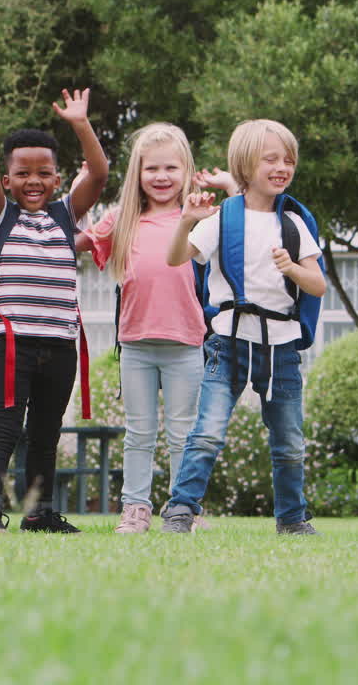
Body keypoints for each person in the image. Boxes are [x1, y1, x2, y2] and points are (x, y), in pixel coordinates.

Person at [162, 119, 326, 535]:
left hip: (282, 346)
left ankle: (292, 519)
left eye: (288, 159)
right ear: (244, 165)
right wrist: (185, 221)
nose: (281, 166)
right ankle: (181, 509)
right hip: (229, 340)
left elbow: (318, 283)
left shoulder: (293, 222)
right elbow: (177, 258)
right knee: (209, 432)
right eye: (270, 158)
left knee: (289, 440)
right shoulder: (222, 218)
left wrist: (292, 268)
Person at [0, 89, 108, 533]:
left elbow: (99, 175)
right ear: (8, 181)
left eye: (44, 173)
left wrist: (80, 124)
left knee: (46, 434)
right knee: (4, 428)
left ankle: (40, 513)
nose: (33, 180)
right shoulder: (1, 215)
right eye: (22, 173)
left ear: (58, 179)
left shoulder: (65, 216)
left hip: (60, 344)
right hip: (13, 344)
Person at [75, 123, 211, 533]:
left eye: (171, 167)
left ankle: (183, 509)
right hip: (135, 344)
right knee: (139, 433)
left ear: (186, 170)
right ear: (138, 173)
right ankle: (135, 508)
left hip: (187, 343)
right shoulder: (122, 219)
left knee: (183, 433)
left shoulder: (201, 218)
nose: (162, 176)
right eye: (152, 168)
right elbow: (72, 241)